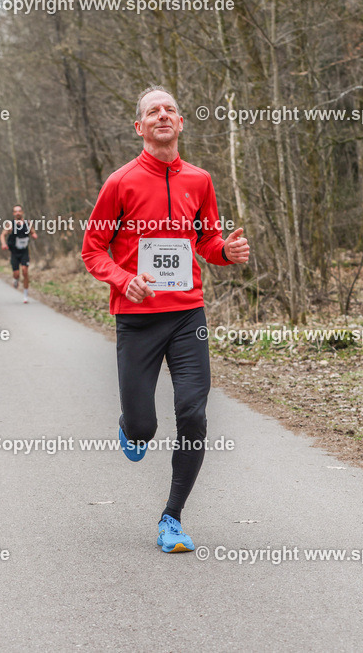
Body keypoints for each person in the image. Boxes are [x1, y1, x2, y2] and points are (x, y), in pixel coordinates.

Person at [81, 85, 249, 554]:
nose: (162, 115)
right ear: (140, 127)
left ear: (180, 123)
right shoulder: (120, 182)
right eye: (152, 111)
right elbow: (92, 250)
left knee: (193, 415)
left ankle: (171, 518)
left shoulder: (200, 180)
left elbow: (208, 242)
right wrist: (122, 278)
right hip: (137, 319)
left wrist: (227, 253)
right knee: (143, 429)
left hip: (187, 316)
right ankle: (129, 425)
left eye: (170, 110)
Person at [0, 205, 38, 304]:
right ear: (13, 214)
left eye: (19, 211)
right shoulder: (10, 224)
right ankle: (15, 279)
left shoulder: (27, 223)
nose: (17, 213)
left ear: (22, 212)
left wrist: (34, 235)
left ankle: (25, 295)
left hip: (24, 251)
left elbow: (33, 232)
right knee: (16, 273)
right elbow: (2, 235)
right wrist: (3, 244)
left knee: (25, 271)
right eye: (15, 211)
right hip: (14, 252)